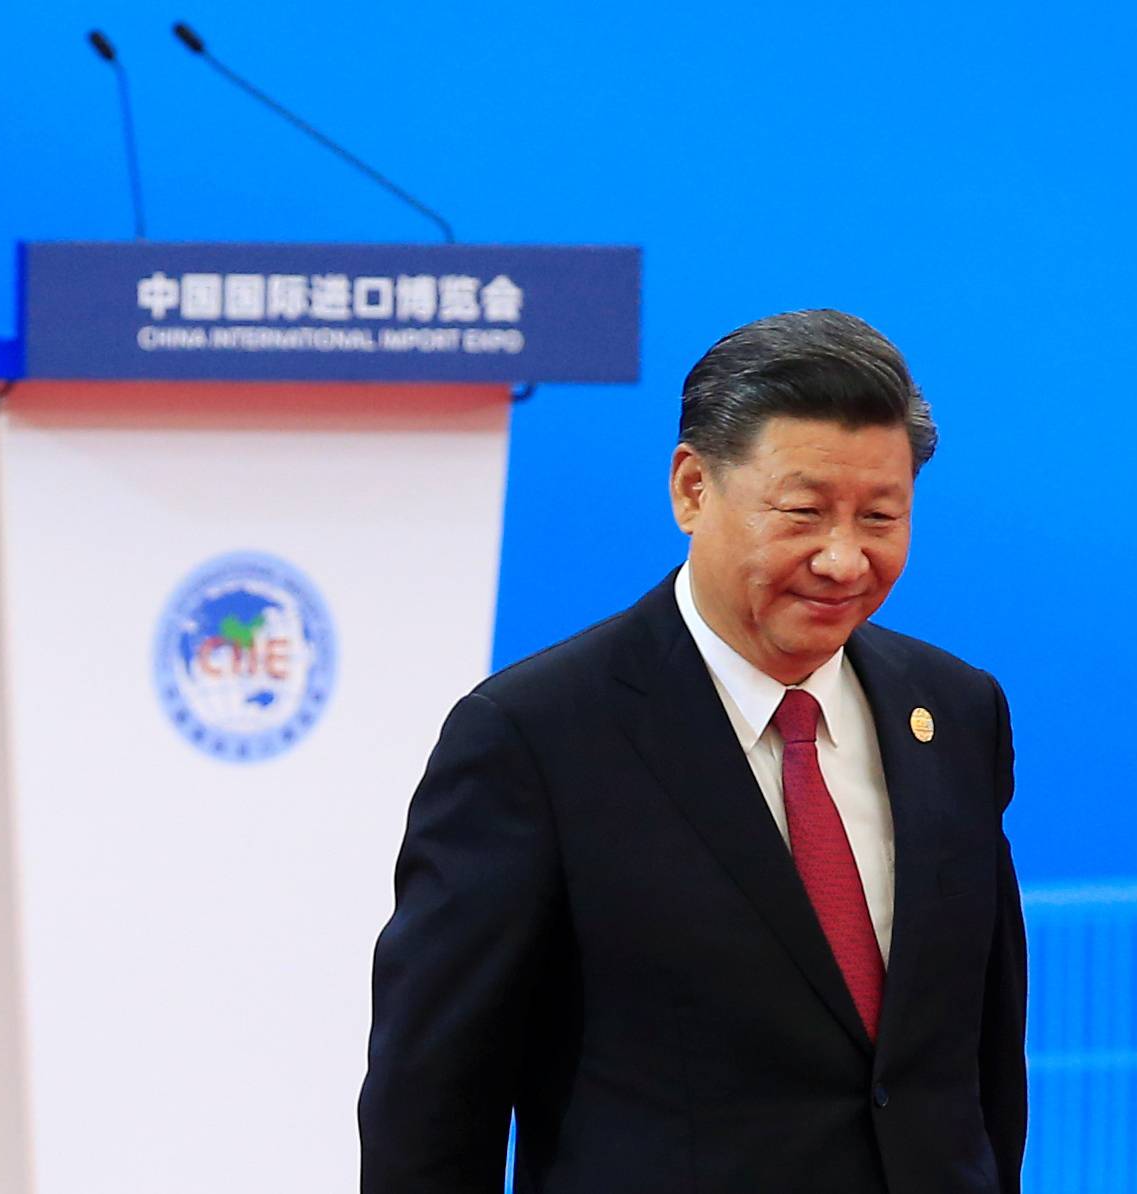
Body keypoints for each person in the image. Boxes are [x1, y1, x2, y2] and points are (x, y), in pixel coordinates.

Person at [359, 309, 1027, 1194]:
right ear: (691, 488)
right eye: (802, 512)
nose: (843, 559)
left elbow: (978, 1056)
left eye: (879, 516)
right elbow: (433, 1106)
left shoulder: (952, 711)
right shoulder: (535, 737)